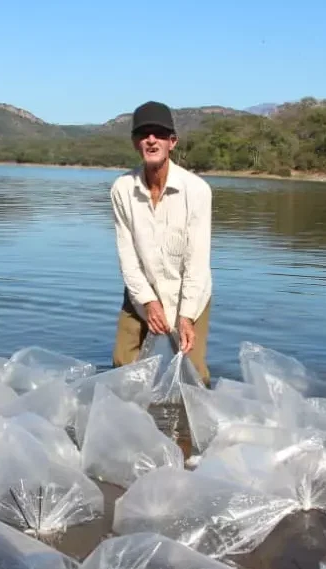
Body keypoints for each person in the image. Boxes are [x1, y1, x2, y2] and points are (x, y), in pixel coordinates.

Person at [110, 101, 213, 384]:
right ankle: (135, 422)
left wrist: (187, 316)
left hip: (189, 293)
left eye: (158, 133)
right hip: (142, 288)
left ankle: (188, 427)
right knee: (123, 364)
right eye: (144, 134)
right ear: (135, 143)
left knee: (193, 375)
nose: (151, 139)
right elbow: (127, 255)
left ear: (172, 142)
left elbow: (197, 261)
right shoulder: (122, 189)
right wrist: (147, 300)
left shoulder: (197, 190)